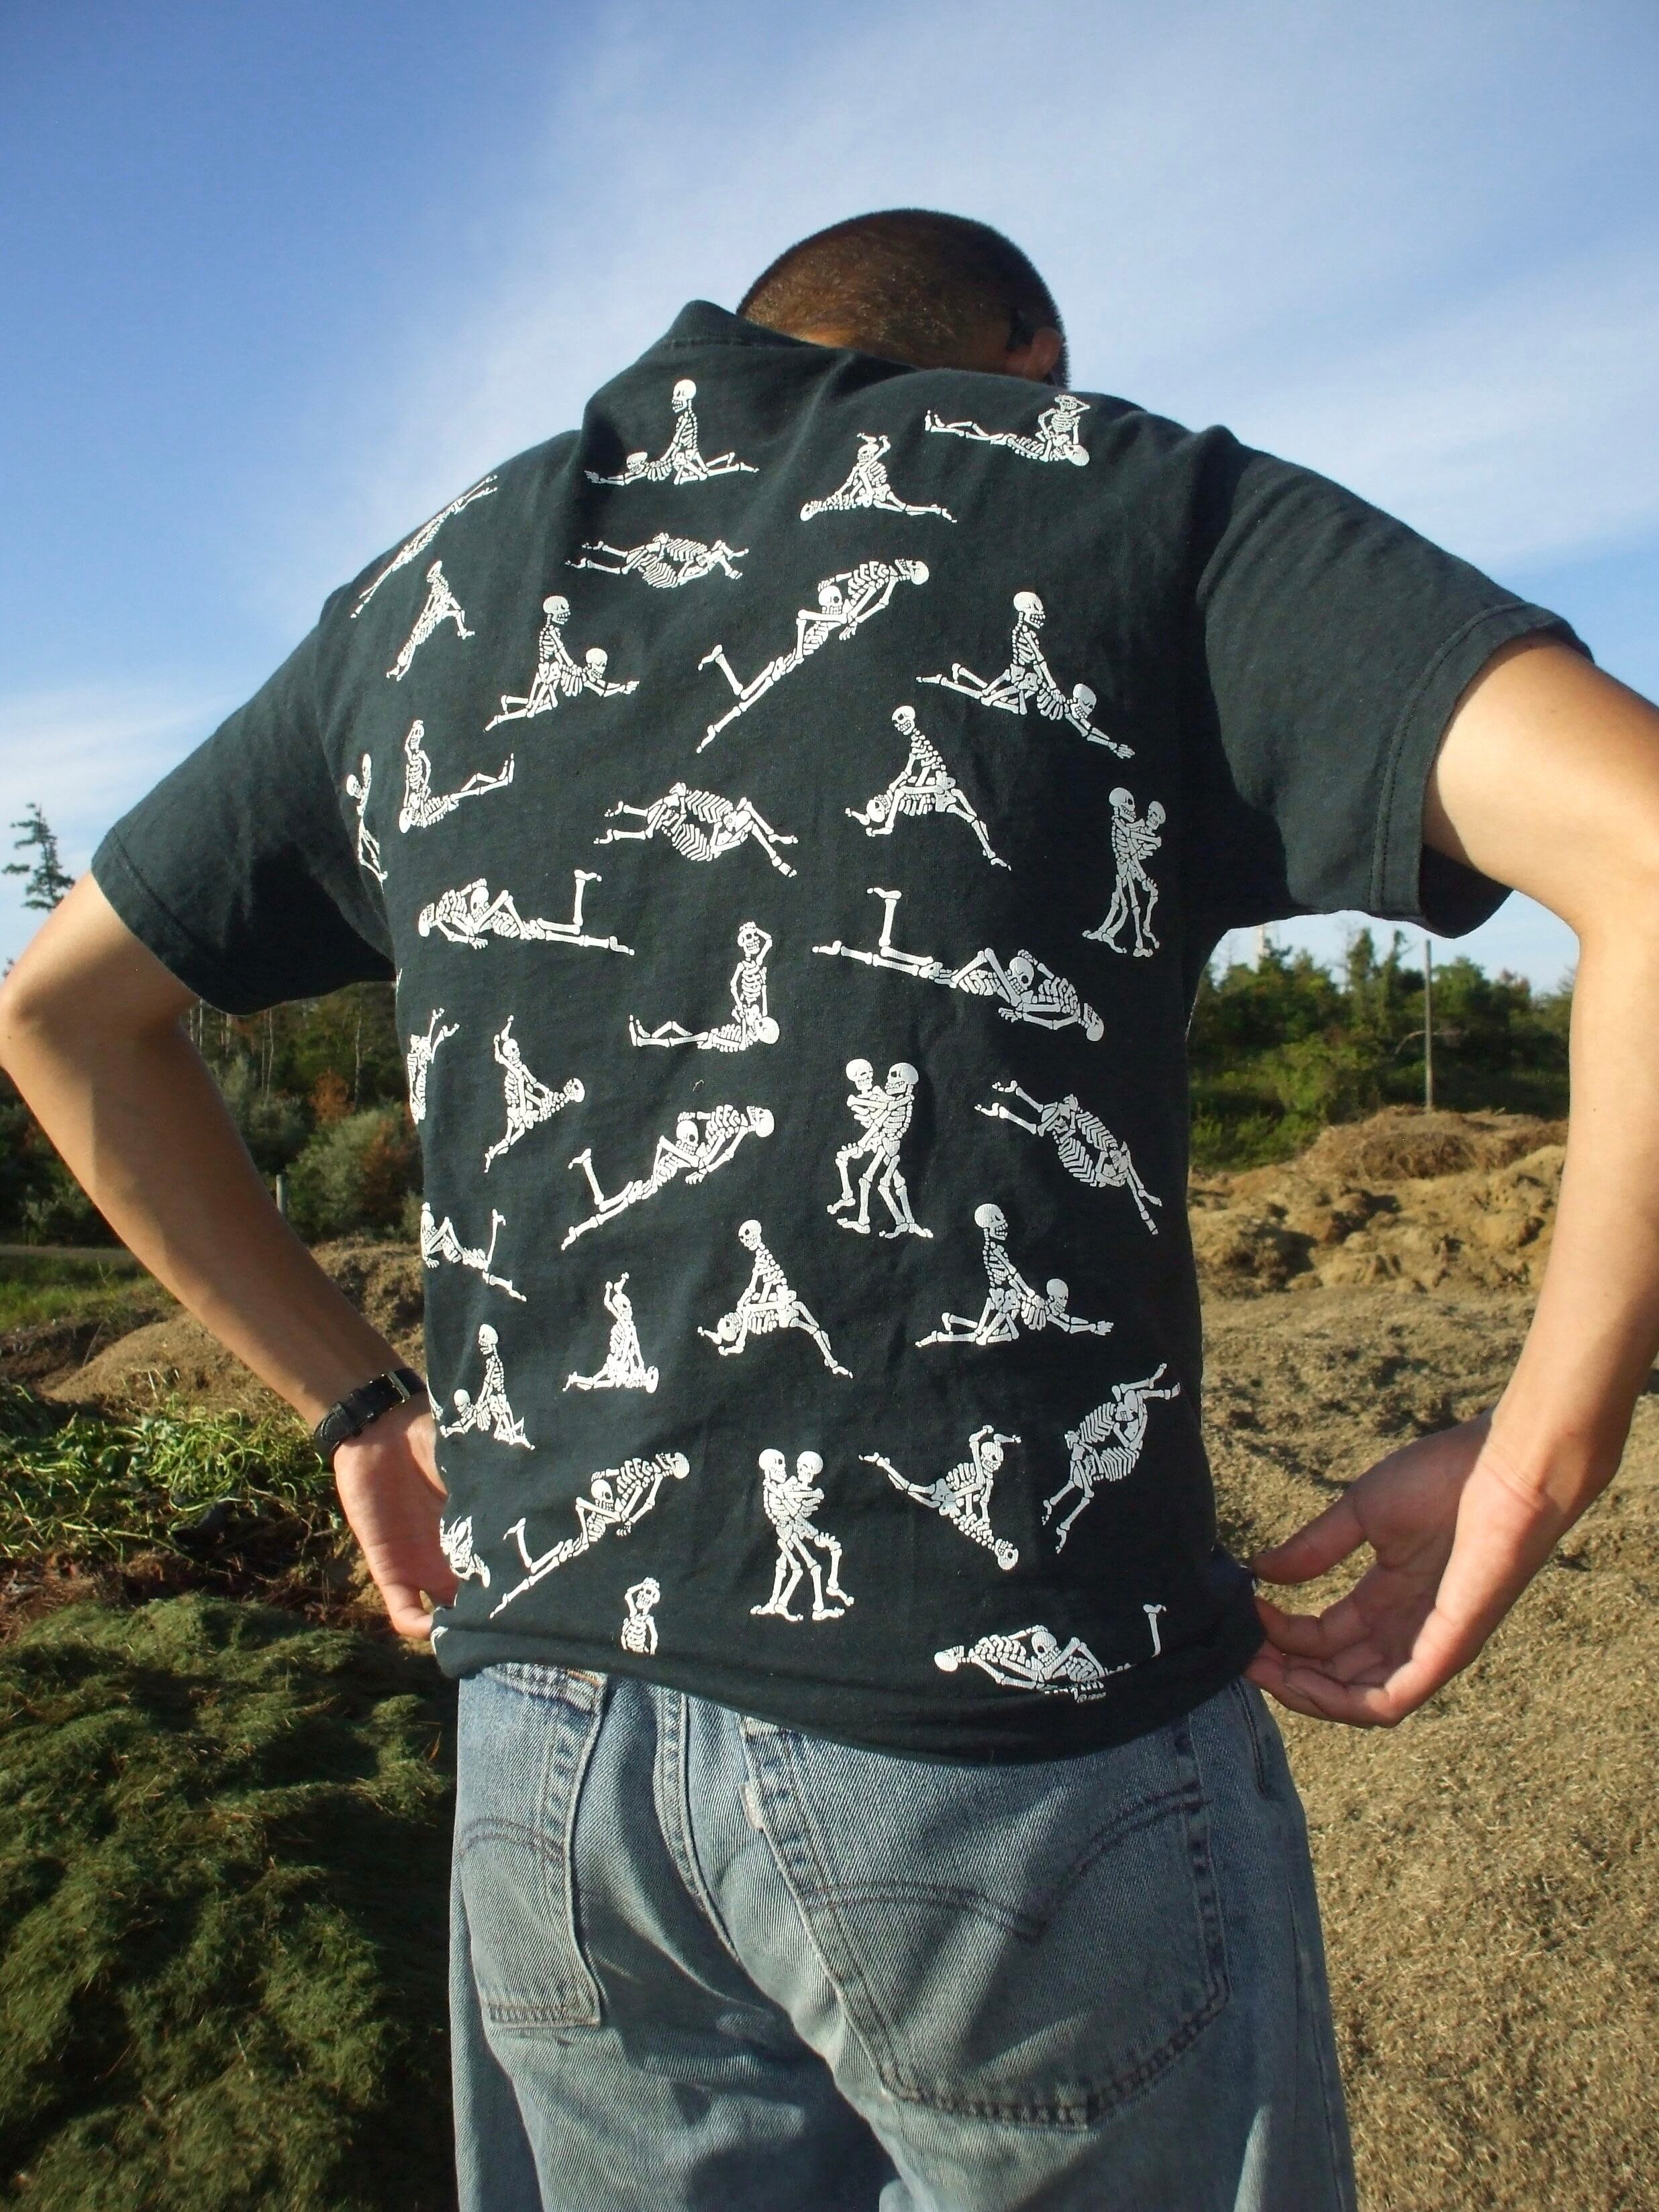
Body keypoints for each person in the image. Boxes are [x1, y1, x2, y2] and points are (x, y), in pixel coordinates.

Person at [3, 203, 1656, 2212]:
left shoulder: (431, 592)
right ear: (1025, 360)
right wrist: (1543, 1449)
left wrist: (355, 1402)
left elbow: (59, 1016)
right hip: (1007, 1738)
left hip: (551, 1748)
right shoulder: (1116, 496)